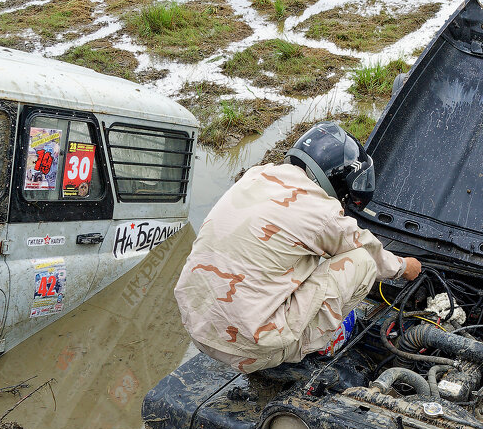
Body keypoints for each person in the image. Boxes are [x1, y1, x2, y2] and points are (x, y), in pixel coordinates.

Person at [174, 121, 421, 374]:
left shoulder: (255, 176)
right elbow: (369, 251)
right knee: (362, 262)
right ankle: (317, 344)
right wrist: (404, 267)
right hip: (251, 351)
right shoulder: (320, 210)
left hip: (197, 328)